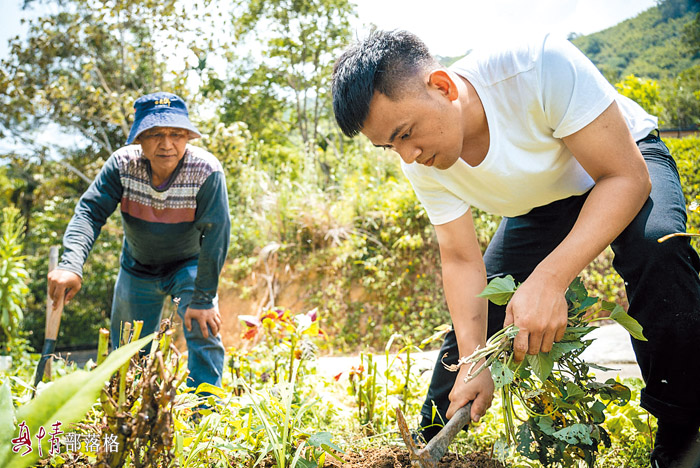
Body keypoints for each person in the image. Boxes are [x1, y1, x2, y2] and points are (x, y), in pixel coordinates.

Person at [331, 30, 700, 467]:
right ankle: (430, 445)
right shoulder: (419, 156)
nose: (406, 156)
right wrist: (473, 358)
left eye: (405, 134)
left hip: (618, 161)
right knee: (479, 315)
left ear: (443, 87)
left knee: (656, 248)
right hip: (542, 201)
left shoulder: (537, 65)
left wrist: (550, 278)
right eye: (389, 146)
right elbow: (460, 258)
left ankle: (681, 444)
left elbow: (627, 178)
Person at [48, 91, 230, 391]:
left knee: (203, 325)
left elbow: (216, 233)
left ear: (187, 137)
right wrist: (71, 264)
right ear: (139, 138)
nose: (167, 144)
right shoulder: (122, 165)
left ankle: (205, 413)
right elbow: (90, 212)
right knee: (128, 349)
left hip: (189, 263)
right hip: (137, 267)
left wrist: (204, 298)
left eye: (176, 134)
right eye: (155, 134)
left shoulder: (206, 171)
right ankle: (128, 411)